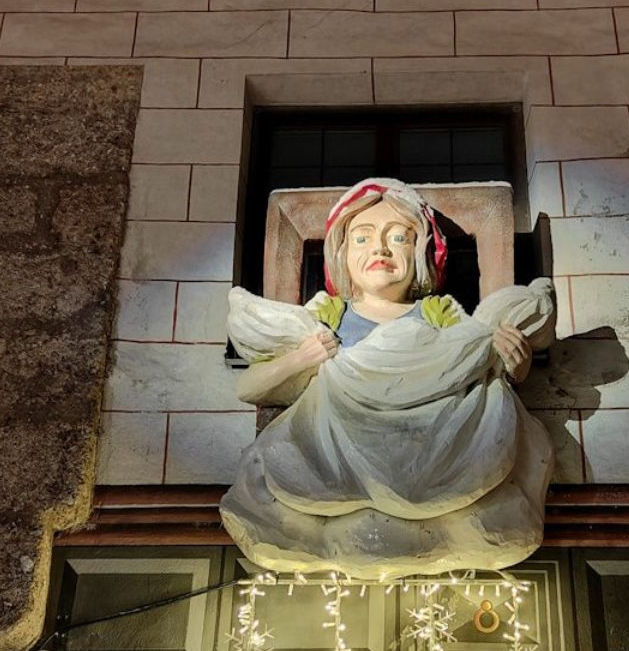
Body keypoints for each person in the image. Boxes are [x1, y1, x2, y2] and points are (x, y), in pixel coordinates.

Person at [220, 178, 556, 578]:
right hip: (338, 444)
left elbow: (481, 367)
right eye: (362, 238)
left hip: (429, 443)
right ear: (342, 253)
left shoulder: (437, 313)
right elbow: (249, 388)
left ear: (421, 252)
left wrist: (513, 360)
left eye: (398, 237)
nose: (379, 249)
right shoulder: (328, 314)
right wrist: (301, 359)